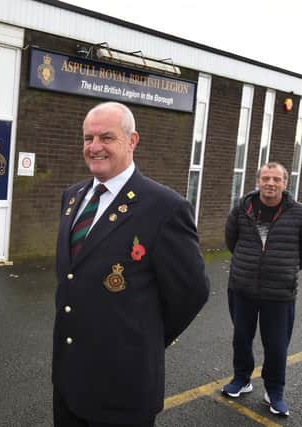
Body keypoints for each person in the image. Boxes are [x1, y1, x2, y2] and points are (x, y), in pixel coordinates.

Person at [53, 102, 209, 426]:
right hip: (69, 382)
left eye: (106, 138)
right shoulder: (72, 196)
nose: (94, 147)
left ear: (132, 141)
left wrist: (144, 337)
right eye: (88, 138)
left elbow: (191, 292)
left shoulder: (165, 208)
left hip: (122, 389)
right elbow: (72, 277)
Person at [221, 162, 302, 417]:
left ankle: (274, 391)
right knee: (241, 338)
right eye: (266, 178)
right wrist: (248, 264)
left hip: (279, 294)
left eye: (276, 179)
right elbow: (231, 240)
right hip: (242, 288)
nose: (270, 183)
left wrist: (287, 268)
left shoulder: (298, 213)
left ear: (285, 184)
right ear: (258, 181)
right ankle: (242, 379)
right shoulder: (242, 209)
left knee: (277, 346)